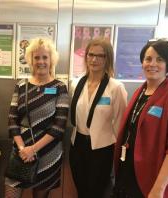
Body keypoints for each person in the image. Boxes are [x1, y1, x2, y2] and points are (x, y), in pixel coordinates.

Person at [113, 38, 168, 198]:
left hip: (151, 182)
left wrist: (159, 189)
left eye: (160, 59)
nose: (152, 64)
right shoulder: (140, 92)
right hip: (127, 175)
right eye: (148, 59)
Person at [4, 38, 69, 198]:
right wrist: (23, 149)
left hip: (48, 152)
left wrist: (33, 149)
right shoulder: (21, 85)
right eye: (37, 57)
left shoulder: (59, 87)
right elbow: (12, 119)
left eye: (45, 57)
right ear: (30, 60)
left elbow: (59, 126)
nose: (41, 61)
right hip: (20, 150)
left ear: (51, 60)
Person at [69, 38, 128, 198]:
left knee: (96, 192)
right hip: (77, 145)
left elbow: (121, 123)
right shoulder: (76, 83)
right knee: (81, 190)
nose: (94, 59)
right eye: (91, 54)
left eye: (100, 56)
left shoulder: (116, 87)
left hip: (102, 149)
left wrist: (117, 153)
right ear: (86, 56)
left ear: (107, 58)